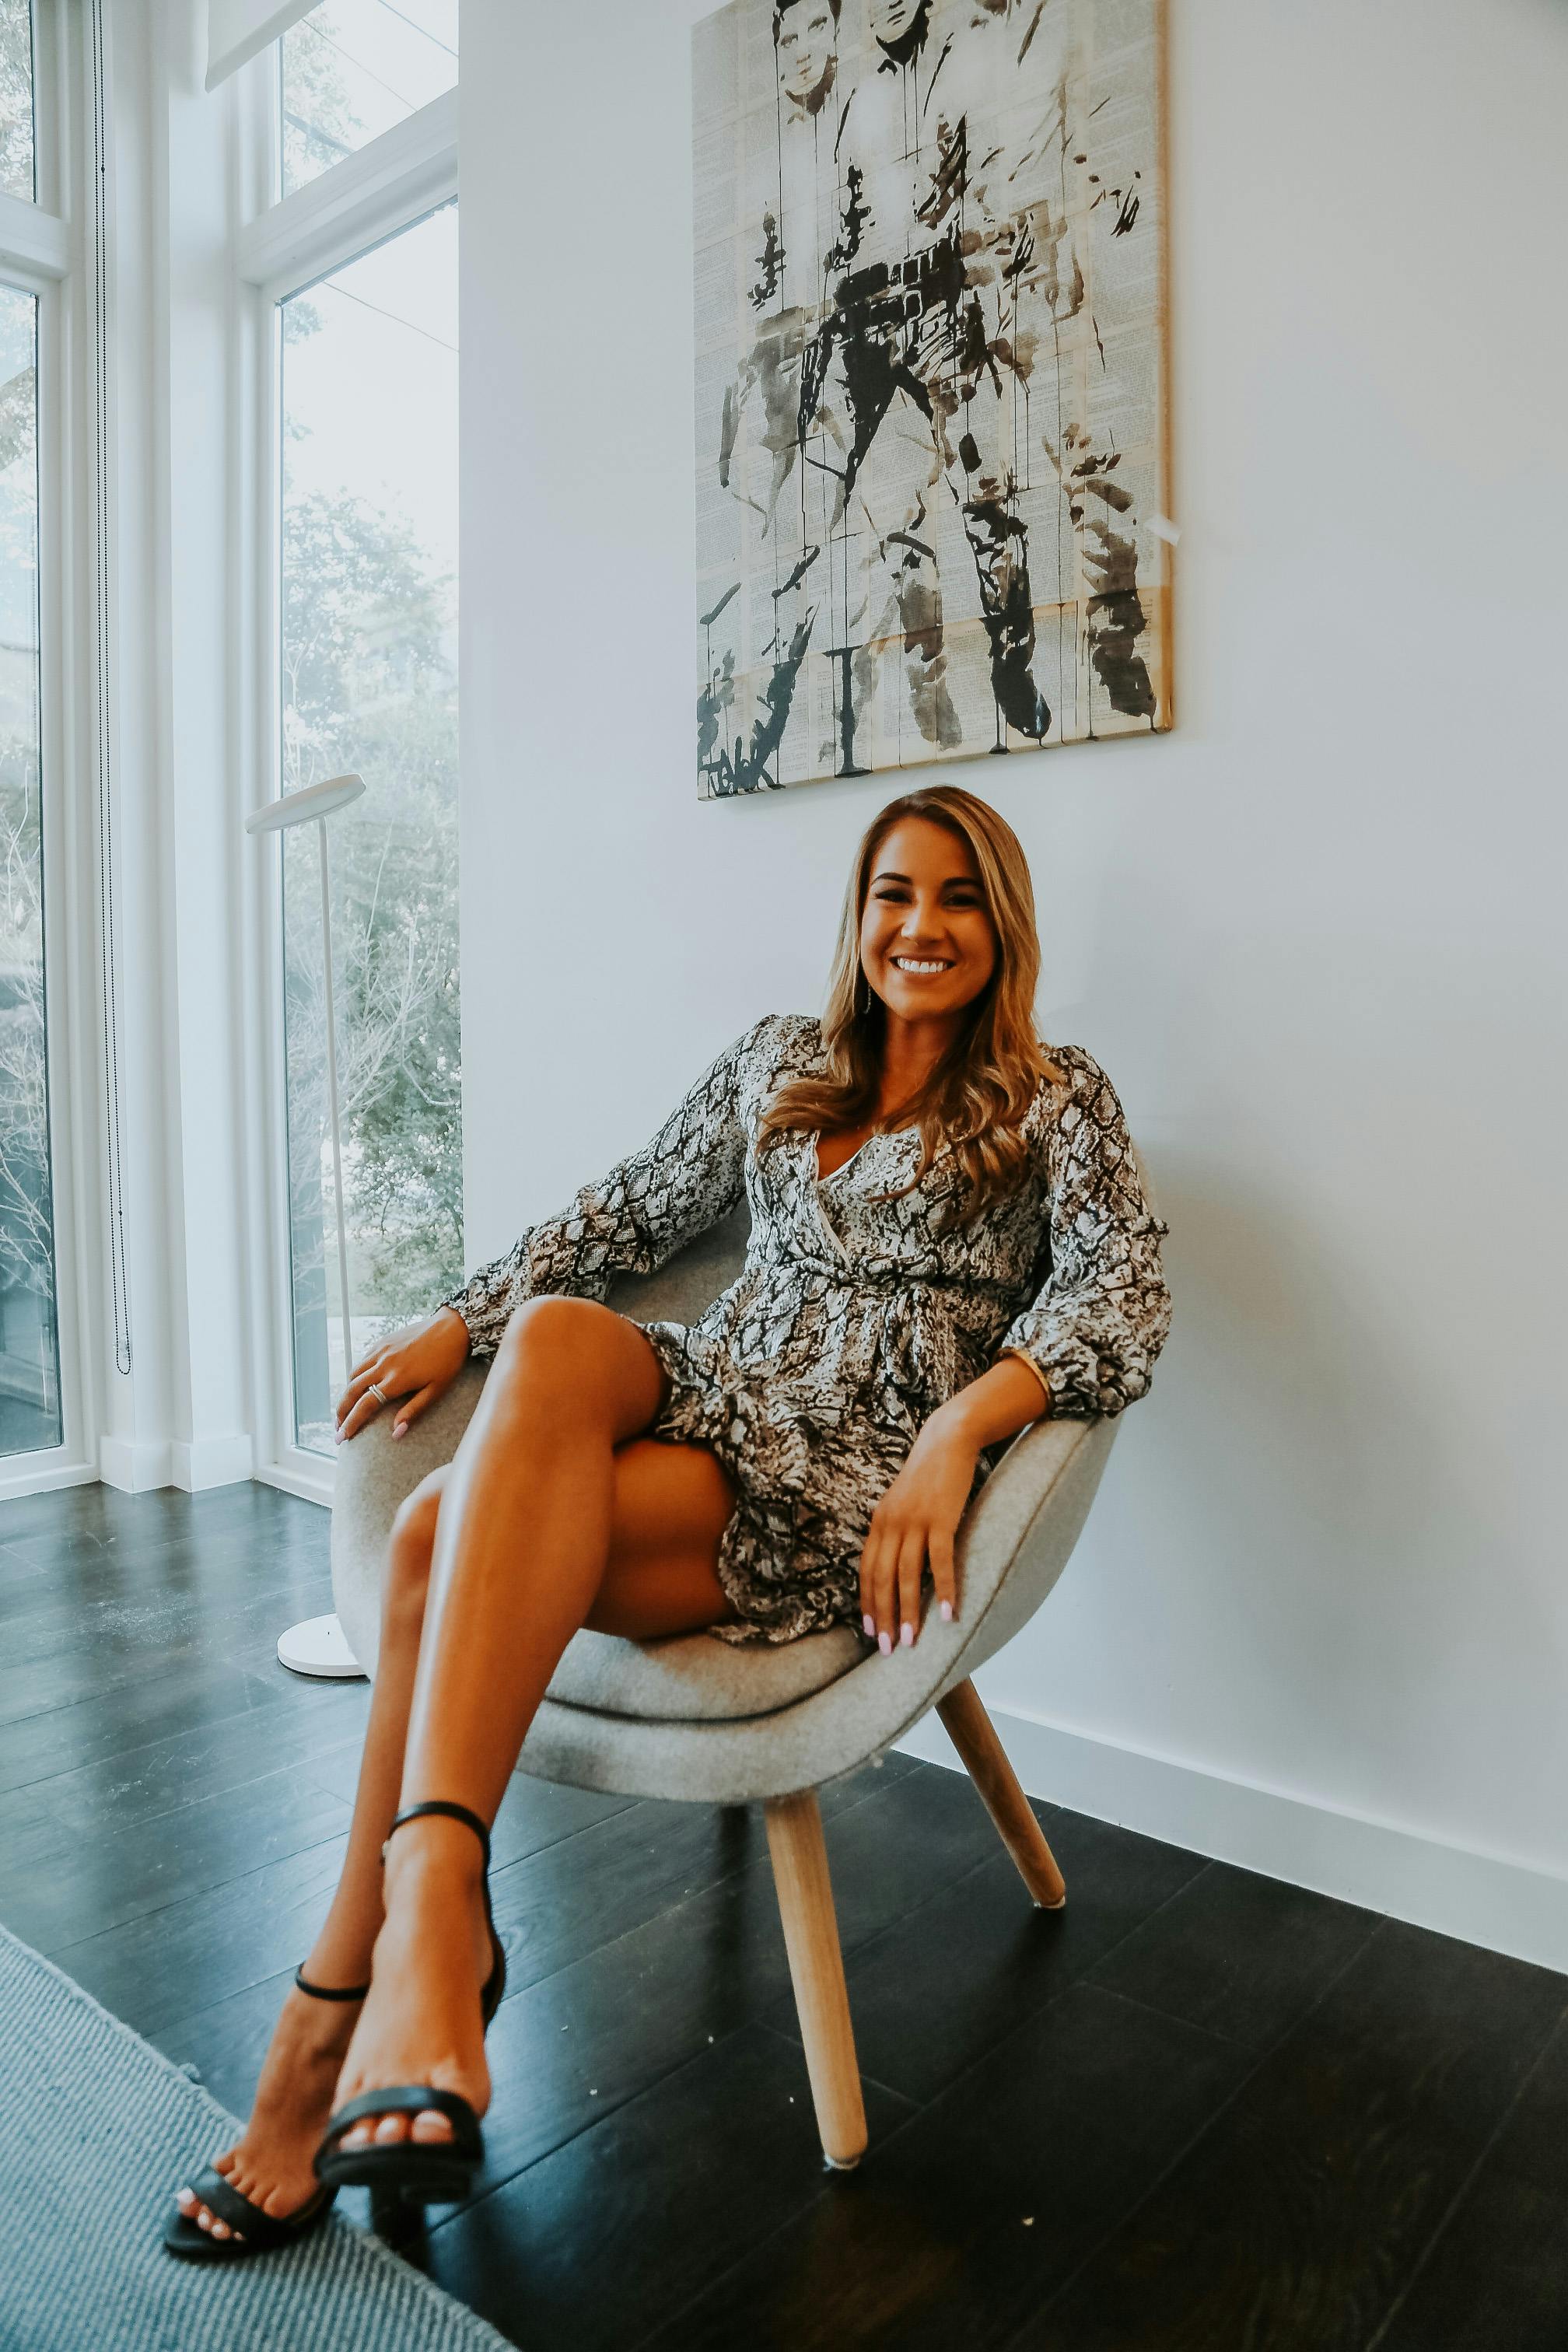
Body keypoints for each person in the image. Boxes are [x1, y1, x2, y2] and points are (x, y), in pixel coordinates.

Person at [165, 782, 1171, 2257]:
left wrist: (960, 1430)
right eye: (896, 892)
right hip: (719, 1384)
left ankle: (345, 2003)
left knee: (440, 1544)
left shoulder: (1054, 1096)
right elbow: (633, 1210)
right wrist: (462, 1320)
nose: (923, 926)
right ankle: (434, 1915)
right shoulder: (783, 1061)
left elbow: (1122, 1298)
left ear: (1003, 925)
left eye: (959, 898)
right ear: (859, 911)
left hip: (842, 1467)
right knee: (563, 1332)